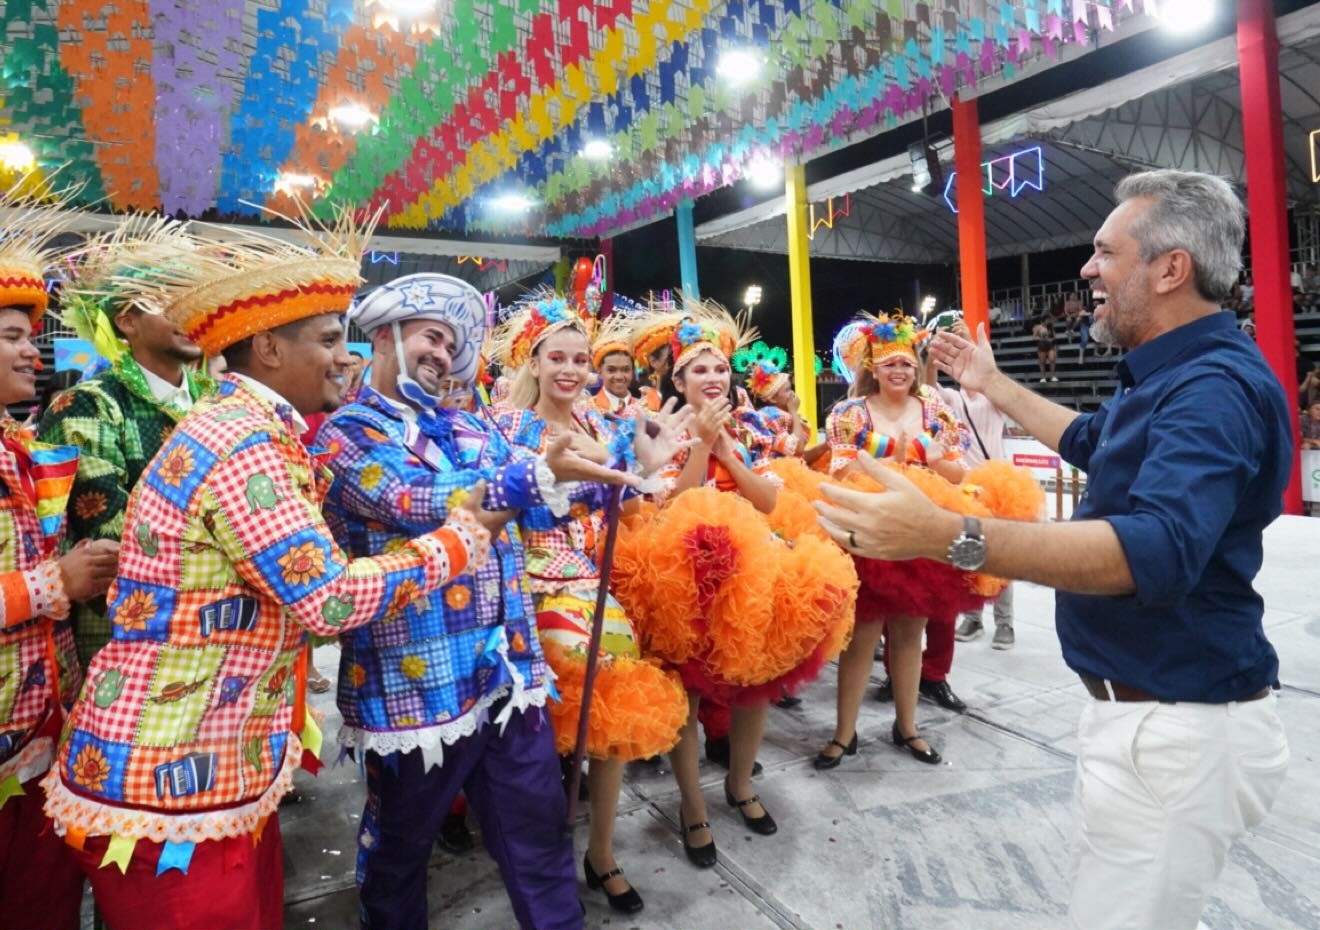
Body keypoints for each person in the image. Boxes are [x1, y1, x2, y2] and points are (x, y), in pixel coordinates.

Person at [818, 170, 1291, 930]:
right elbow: (1086, 440)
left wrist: (947, 536)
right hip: (1149, 717)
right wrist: (992, 384)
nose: (1087, 269)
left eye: (1105, 252)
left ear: (1171, 269)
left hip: (1176, 728)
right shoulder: (1168, 377)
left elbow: (1156, 551)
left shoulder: (1212, 388)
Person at [41, 218, 500, 929]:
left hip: (207, 763)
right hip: (169, 775)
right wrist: (463, 538)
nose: (343, 358)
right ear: (267, 347)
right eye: (326, 340)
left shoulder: (247, 425)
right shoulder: (244, 441)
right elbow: (330, 599)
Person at [316, 274, 638, 930]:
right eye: (430, 337)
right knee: (400, 856)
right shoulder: (345, 435)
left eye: (451, 343)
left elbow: (538, 504)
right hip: (414, 696)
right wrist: (535, 474)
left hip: (507, 677)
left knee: (540, 839)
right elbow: (412, 501)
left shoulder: (470, 428)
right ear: (383, 337)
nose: (442, 352)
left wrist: (622, 475)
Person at [614, 304, 855, 869]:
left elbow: (773, 502)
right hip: (681, 575)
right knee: (687, 693)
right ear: (676, 379)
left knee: (756, 683)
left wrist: (728, 452)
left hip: (752, 571)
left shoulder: (757, 425)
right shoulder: (652, 428)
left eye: (720, 367)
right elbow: (668, 504)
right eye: (700, 369)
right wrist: (699, 444)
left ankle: (740, 786)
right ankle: (692, 805)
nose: (714, 377)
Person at [491, 292, 690, 915]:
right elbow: (512, 507)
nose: (571, 369)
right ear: (533, 361)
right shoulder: (506, 428)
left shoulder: (603, 425)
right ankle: (539, 850)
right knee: (542, 730)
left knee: (612, 713)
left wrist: (652, 471)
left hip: (595, 584)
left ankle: (600, 850)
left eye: (580, 358)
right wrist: (613, 467)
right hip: (528, 587)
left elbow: (629, 509)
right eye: (558, 358)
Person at [0, 178, 120, 930]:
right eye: (11, 336)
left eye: (28, 334)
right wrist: (57, 583)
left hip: (42, 732)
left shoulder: (18, 448)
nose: (30, 350)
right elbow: (48, 581)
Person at [38, 220, 215, 672]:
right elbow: (114, 537)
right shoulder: (86, 407)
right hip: (126, 637)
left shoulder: (220, 402)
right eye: (168, 300)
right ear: (127, 321)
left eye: (193, 298)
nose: (188, 312)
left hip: (218, 635)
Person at [814, 312, 971, 771]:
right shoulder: (848, 412)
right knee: (860, 639)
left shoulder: (937, 410)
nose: (899, 371)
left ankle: (909, 727)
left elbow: (958, 471)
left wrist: (923, 459)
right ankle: (845, 733)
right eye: (889, 364)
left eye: (906, 363)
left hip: (919, 531)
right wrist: (911, 455)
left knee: (910, 636)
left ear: (916, 366)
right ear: (873, 368)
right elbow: (839, 468)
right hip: (867, 533)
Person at [929, 321, 1018, 651]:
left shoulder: (993, 398)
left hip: (999, 483)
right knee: (968, 551)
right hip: (966, 484)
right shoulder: (952, 398)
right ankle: (973, 617)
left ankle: (1005, 623)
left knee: (1002, 556)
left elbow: (997, 384)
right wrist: (931, 356)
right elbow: (930, 389)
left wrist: (969, 340)